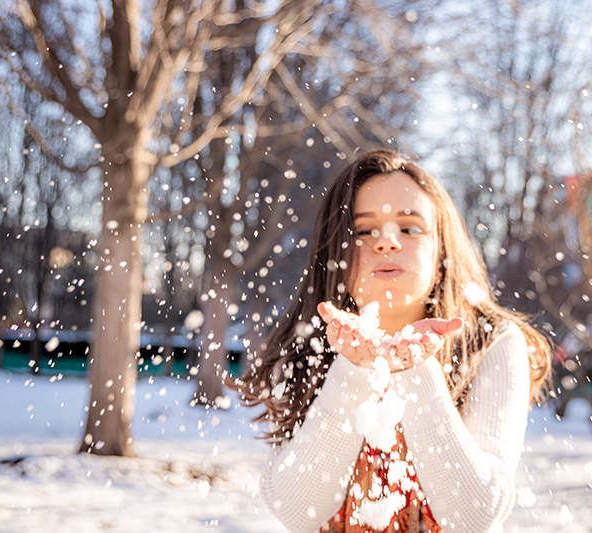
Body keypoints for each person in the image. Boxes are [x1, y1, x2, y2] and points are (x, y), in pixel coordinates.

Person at [231, 148, 552, 533]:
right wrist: (352, 369)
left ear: (442, 250)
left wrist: (416, 369)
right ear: (334, 250)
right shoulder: (310, 342)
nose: (386, 242)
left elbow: (475, 516)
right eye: (364, 230)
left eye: (410, 227)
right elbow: (297, 511)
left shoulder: (490, 343)